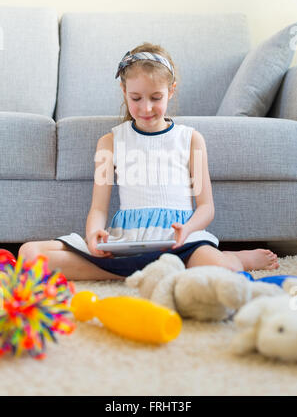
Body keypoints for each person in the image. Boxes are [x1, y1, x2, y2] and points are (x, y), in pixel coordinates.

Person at [19, 43, 279, 280]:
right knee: (29, 254)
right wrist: (93, 236)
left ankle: (234, 258)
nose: (145, 108)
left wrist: (187, 229)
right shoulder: (109, 143)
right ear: (124, 91)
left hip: (181, 242)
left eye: (156, 98)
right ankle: (138, 272)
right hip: (127, 241)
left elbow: (206, 207)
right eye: (136, 98)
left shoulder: (191, 139)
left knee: (218, 270)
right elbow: (98, 208)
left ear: (171, 91)